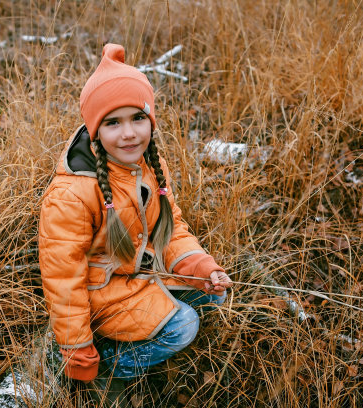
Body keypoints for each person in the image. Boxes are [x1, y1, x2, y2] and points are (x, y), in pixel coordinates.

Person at [38, 43, 233, 405]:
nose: (129, 134)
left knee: (214, 293)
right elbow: (63, 279)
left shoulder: (148, 167)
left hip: (137, 276)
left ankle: (138, 343)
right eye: (113, 122)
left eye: (137, 118)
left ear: (151, 121)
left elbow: (171, 228)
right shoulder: (73, 194)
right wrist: (77, 351)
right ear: (95, 129)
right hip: (100, 295)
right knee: (184, 325)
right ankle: (108, 368)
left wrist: (201, 267)